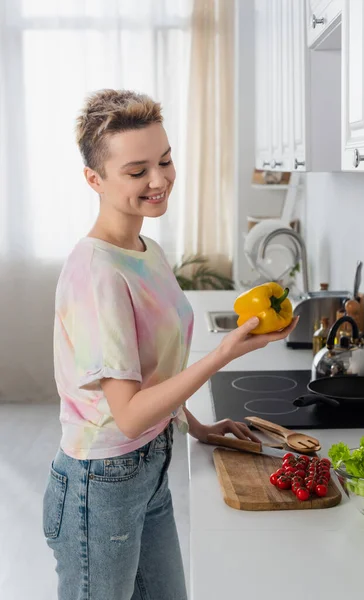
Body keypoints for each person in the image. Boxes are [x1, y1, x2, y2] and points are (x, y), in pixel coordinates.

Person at [42, 88, 299, 600]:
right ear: (94, 179)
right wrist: (223, 354)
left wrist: (198, 426)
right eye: (137, 171)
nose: (159, 180)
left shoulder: (146, 249)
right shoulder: (98, 274)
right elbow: (130, 413)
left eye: (165, 160)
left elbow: (155, 372)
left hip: (149, 465)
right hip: (102, 485)